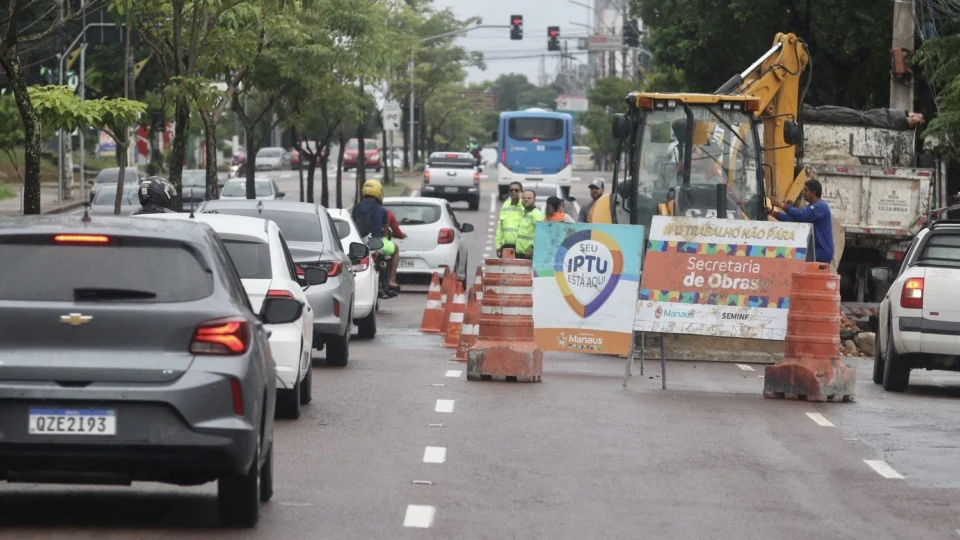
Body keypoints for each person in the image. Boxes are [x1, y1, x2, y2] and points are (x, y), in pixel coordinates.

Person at [769, 179, 834, 265]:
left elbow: (801, 215)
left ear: (813, 193)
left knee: (791, 257)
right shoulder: (811, 207)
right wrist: (773, 213)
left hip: (822, 252)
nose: (803, 192)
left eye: (806, 190)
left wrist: (781, 205)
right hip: (816, 249)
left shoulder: (821, 206)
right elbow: (794, 219)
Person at [495, 181, 524, 257]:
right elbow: (500, 227)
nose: (513, 192)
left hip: (521, 249)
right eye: (511, 190)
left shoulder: (524, 205)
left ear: (521, 192)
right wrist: (498, 245)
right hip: (506, 247)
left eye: (516, 190)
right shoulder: (505, 204)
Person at [515, 189, 544, 259]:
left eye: (529, 198)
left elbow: (542, 234)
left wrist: (534, 248)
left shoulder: (537, 214)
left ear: (534, 200)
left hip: (530, 256)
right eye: (524, 198)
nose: (526, 200)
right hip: (519, 254)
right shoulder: (522, 213)